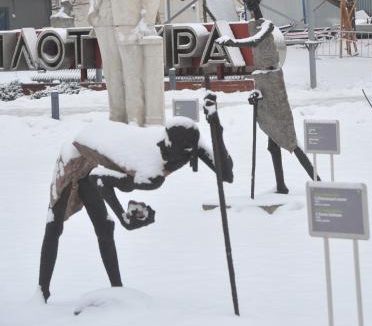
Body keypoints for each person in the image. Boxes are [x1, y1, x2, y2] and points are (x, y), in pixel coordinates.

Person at [38, 93, 233, 302]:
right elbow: (100, 179)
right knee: (55, 223)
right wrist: (123, 217)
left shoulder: (191, 144)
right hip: (77, 156)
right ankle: (41, 293)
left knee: (104, 229)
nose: (164, 146)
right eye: (165, 141)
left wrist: (216, 125)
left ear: (188, 152)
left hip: (98, 161)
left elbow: (227, 174)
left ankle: (117, 292)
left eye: (170, 147)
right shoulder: (147, 172)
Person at [217, 0, 318, 193]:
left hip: (272, 80)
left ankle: (318, 181)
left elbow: (255, 41)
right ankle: (280, 185)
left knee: (288, 136)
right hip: (261, 80)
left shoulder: (266, 25)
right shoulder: (252, 24)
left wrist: (232, 43)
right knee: (272, 141)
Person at [87, 0, 161, 126]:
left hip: (131, 28)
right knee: (112, 77)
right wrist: (95, 17)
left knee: (133, 77)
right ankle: (116, 120)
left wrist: (146, 24)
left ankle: (135, 120)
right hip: (105, 28)